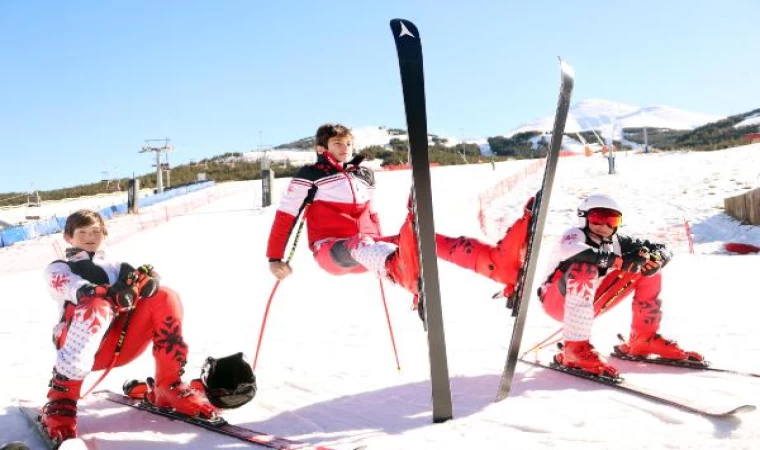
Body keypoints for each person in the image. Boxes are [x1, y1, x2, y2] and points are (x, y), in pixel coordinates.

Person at [267, 123, 532, 314]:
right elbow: (286, 216)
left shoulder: (364, 175)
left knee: (420, 238)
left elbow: (370, 213)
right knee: (361, 243)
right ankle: (405, 274)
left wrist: (382, 242)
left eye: (348, 143)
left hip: (371, 250)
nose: (345, 148)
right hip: (331, 251)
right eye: (337, 143)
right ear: (321, 147)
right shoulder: (310, 174)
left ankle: (497, 264)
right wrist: (275, 258)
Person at [40, 210, 217, 443]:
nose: (89, 237)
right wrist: (100, 292)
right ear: (68, 237)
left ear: (103, 234)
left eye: (95, 231)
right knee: (96, 305)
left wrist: (147, 281)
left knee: (165, 296)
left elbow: (145, 283)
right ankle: (61, 398)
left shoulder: (118, 267)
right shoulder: (60, 267)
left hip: (122, 343)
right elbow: (68, 285)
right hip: (79, 347)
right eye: (81, 232)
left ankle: (168, 384)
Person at [538, 194, 703, 378]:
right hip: (556, 301)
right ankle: (574, 349)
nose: (605, 226)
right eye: (598, 218)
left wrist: (657, 259)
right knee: (585, 268)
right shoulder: (575, 234)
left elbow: (661, 247)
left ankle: (643, 339)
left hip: (592, 302)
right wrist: (617, 262)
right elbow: (572, 250)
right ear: (583, 217)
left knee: (647, 267)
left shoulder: (617, 241)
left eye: (611, 220)